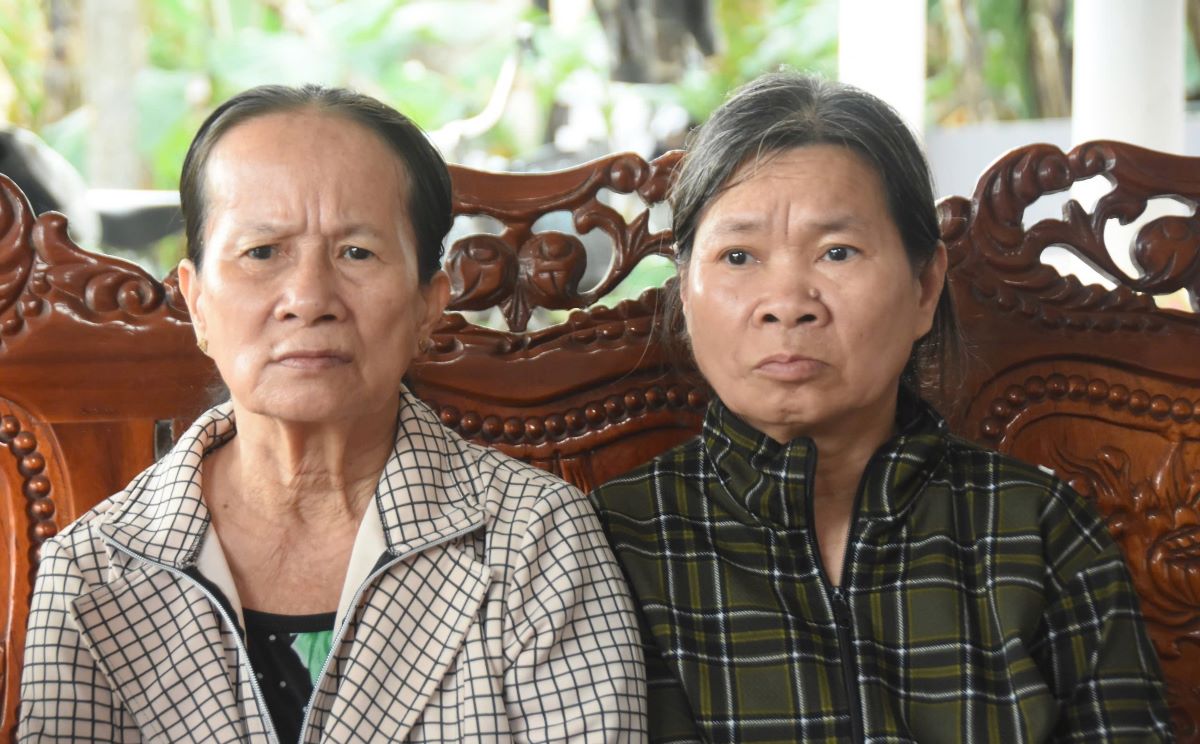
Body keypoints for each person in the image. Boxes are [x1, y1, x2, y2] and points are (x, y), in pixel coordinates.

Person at [20, 84, 646, 743]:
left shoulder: (535, 542)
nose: (309, 297)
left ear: (426, 307)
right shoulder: (94, 571)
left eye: (357, 253)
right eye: (262, 252)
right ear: (197, 300)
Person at [589, 72, 1171, 743]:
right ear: (685, 296)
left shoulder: (1035, 528)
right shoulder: (615, 541)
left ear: (926, 286)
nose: (788, 302)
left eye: (837, 251)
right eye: (739, 255)